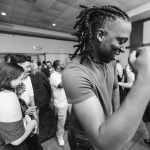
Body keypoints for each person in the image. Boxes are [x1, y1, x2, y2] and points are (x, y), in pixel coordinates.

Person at [62, 5, 150, 150]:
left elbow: (114, 88)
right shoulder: (75, 72)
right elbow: (105, 144)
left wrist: (115, 118)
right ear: (101, 35)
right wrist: (146, 78)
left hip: (105, 128)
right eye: (120, 41)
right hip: (84, 139)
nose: (123, 48)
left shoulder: (110, 61)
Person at [0, 63, 37, 150]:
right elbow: (16, 140)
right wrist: (33, 123)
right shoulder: (8, 98)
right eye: (20, 79)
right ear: (10, 78)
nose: (21, 81)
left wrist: (18, 94)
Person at [50, 60, 71, 146]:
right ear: (58, 67)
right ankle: (59, 136)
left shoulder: (62, 73)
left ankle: (72, 131)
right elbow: (61, 85)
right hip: (60, 103)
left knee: (73, 117)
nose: (65, 64)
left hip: (69, 100)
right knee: (61, 122)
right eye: (62, 64)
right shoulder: (53, 76)